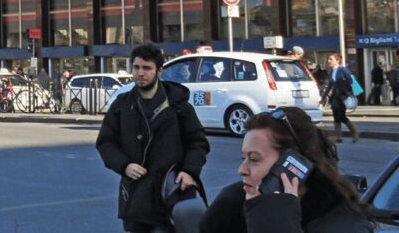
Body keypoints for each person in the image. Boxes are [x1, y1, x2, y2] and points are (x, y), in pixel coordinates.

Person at [199, 106, 373, 233]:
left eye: (254, 159)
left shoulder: (342, 222)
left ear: (294, 164)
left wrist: (274, 219)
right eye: (243, 158)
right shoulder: (231, 204)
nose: (241, 170)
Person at [96, 42, 210, 233]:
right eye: (136, 67)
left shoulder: (178, 106)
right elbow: (105, 143)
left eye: (147, 68)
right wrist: (124, 165)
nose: (141, 73)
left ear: (159, 70)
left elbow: (198, 142)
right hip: (135, 198)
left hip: (171, 193)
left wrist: (190, 171)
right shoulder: (121, 105)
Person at [323, 53, 358, 143]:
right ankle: (338, 137)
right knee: (336, 116)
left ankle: (354, 133)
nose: (328, 61)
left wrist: (346, 90)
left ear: (337, 60)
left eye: (331, 59)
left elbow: (351, 81)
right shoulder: (332, 71)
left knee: (342, 116)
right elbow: (330, 85)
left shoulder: (343, 70)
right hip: (335, 97)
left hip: (343, 96)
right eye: (328, 59)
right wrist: (323, 98)